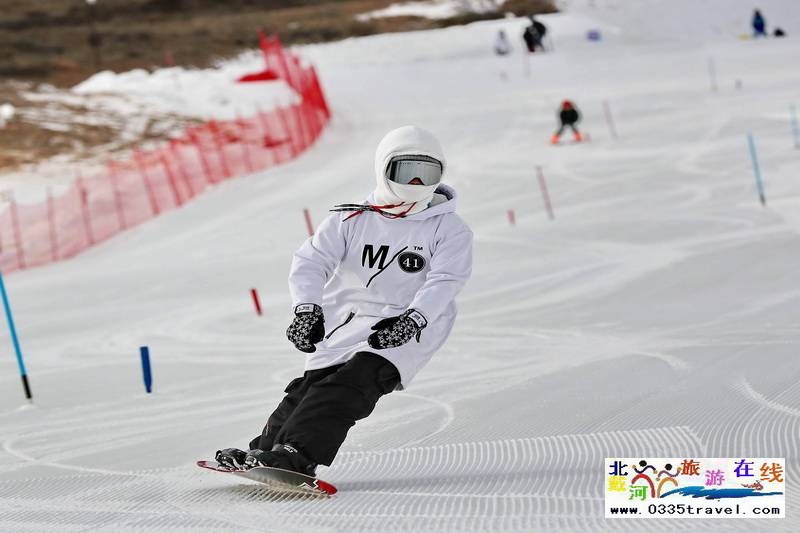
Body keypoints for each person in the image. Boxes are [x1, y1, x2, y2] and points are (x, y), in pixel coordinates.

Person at [215, 125, 474, 475]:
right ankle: (264, 450)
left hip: (408, 328)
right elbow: (312, 261)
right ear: (384, 168)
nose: (416, 183)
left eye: (426, 173)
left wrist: (413, 320)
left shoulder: (448, 228)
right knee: (308, 388)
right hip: (349, 322)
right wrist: (307, 310)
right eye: (407, 171)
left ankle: (298, 455)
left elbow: (446, 280)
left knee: (350, 386)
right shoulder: (350, 218)